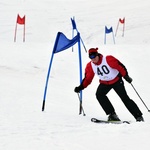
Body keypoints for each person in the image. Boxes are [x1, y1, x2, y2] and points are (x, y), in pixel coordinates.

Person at [74, 47, 144, 122]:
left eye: (94, 56)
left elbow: (120, 66)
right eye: (90, 57)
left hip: (116, 81)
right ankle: (112, 114)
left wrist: (125, 76)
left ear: (97, 55)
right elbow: (88, 78)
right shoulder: (90, 65)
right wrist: (81, 87)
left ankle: (138, 116)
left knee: (124, 98)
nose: (93, 59)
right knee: (99, 95)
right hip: (104, 83)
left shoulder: (108, 59)